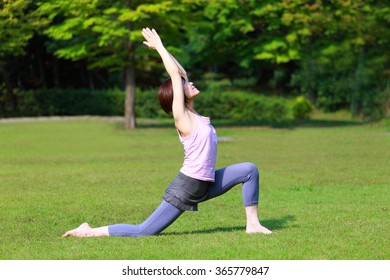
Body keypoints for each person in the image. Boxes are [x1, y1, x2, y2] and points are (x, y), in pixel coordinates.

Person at [62, 27, 272, 238]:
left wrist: (162, 50)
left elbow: (179, 72)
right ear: (177, 95)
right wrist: (160, 47)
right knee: (143, 231)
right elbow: (174, 75)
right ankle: (88, 231)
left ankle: (252, 224)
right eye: (185, 85)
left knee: (249, 170)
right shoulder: (182, 117)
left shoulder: (195, 116)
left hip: (206, 182)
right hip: (188, 185)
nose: (190, 83)